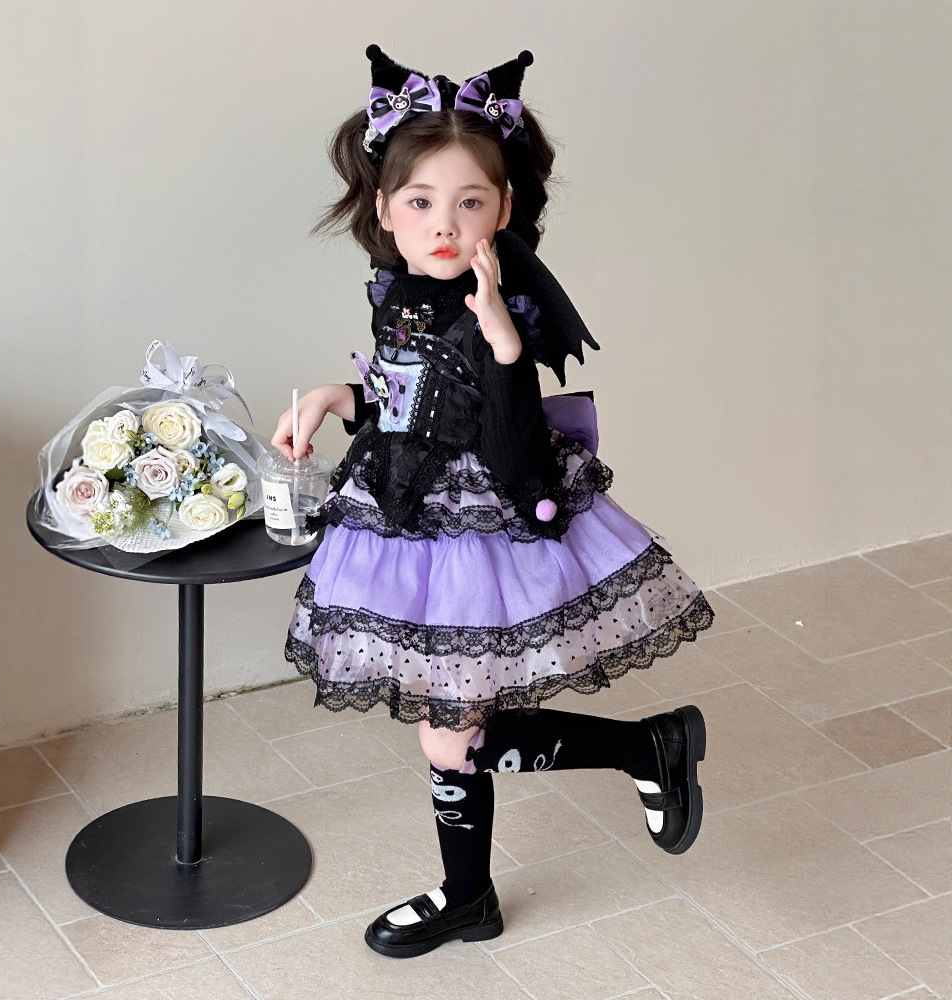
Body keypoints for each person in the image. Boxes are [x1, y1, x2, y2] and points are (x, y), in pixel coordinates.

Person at [272, 45, 716, 959]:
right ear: (384, 210)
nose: (444, 224)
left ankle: (495, 873)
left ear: (504, 210)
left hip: (481, 535)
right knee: (453, 732)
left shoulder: (496, 311)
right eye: (420, 202)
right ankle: (632, 762)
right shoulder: (401, 293)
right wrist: (334, 397)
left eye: (470, 202)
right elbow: (407, 401)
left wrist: (507, 347)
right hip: (412, 517)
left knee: (450, 735)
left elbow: (513, 449)